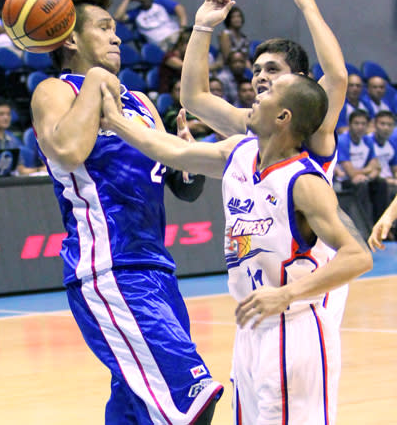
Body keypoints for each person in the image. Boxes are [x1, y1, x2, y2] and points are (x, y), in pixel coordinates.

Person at [100, 66, 372, 425]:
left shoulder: (305, 182)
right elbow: (171, 152)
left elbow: (358, 256)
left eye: (269, 91)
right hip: (250, 327)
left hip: (294, 329)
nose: (256, 93)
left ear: (283, 116)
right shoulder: (239, 152)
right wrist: (117, 123)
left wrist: (286, 294)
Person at [30, 0, 222, 424]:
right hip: (110, 270)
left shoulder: (140, 103)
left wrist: (184, 160)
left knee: (136, 407)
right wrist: (97, 82)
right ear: (71, 39)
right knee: (192, 399)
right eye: (104, 28)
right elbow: (67, 152)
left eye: (116, 30)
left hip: (158, 269)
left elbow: (181, 187)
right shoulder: (55, 91)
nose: (117, 37)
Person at [179, 0, 350, 327]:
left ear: (300, 81)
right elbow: (194, 98)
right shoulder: (253, 124)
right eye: (257, 70)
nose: (259, 77)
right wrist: (201, 27)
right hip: (266, 273)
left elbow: (336, 78)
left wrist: (307, 4)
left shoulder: (311, 125)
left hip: (311, 277)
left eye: (272, 69)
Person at [336, 109, 389, 239]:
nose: (360, 127)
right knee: (361, 185)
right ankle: (366, 229)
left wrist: (368, 175)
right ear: (349, 124)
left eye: (363, 124)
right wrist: (367, 170)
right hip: (344, 182)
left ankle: (382, 227)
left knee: (381, 184)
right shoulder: (343, 141)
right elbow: (351, 173)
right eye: (356, 123)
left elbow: (376, 166)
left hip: (363, 178)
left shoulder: (367, 141)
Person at [114, 0, 188, 51]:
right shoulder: (136, 13)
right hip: (161, 45)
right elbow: (118, 17)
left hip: (176, 36)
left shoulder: (161, 2)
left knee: (190, 40)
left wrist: (183, 28)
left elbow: (179, 8)